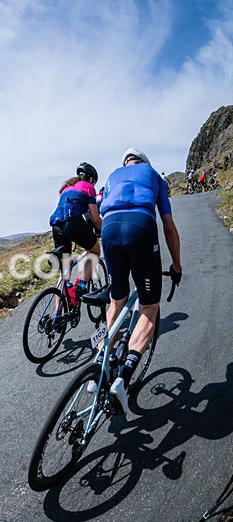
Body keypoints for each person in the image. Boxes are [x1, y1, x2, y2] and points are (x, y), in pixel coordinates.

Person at [100, 148, 182, 415]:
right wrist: (176, 265)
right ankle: (124, 376)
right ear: (144, 162)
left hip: (109, 229)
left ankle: (102, 366)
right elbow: (168, 226)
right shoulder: (153, 175)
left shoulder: (113, 176)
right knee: (149, 307)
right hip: (140, 226)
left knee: (116, 299)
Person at [48, 162, 103, 303]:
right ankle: (82, 285)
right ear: (90, 178)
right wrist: (106, 230)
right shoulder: (89, 187)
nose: (94, 184)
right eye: (94, 181)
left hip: (56, 225)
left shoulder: (66, 188)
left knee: (64, 274)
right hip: (73, 222)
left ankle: (57, 318)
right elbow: (95, 219)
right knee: (95, 252)